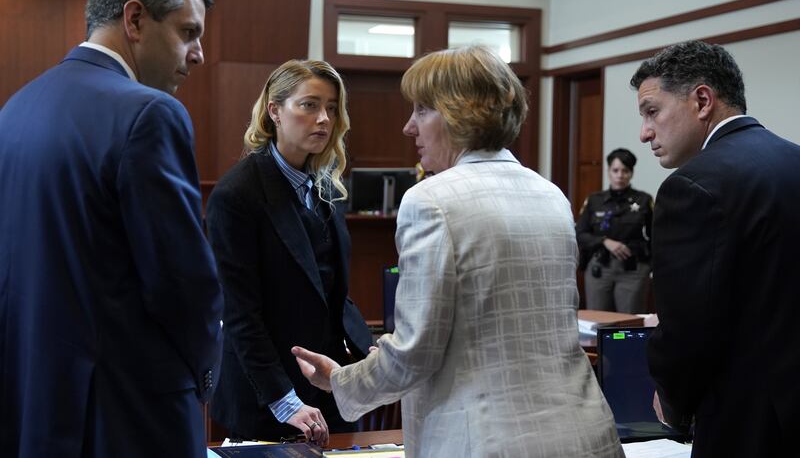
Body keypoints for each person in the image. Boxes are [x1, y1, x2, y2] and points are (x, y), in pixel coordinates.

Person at [292, 45, 624, 458]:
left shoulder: (430, 200)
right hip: (586, 435)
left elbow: (416, 353)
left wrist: (340, 379)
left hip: (488, 442)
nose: (408, 127)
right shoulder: (550, 193)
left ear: (459, 113)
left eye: (422, 111)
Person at [0, 0, 223, 457]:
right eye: (188, 32)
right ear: (136, 19)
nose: (198, 54)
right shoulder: (149, 113)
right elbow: (183, 283)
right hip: (125, 417)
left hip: (32, 406)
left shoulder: (15, 109)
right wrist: (204, 377)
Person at [632, 40, 800, 457]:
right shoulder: (794, 160)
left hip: (746, 424)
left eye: (652, 111)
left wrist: (672, 401)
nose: (644, 132)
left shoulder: (692, 187)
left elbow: (689, 328)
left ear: (702, 100)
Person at [205, 59, 373, 447]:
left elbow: (331, 291)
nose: (324, 119)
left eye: (332, 108)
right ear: (274, 110)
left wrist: (372, 352)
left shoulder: (327, 185)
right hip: (269, 396)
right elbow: (240, 315)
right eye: (309, 105)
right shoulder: (236, 195)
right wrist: (285, 402)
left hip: (330, 388)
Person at [576, 148, 653, 313]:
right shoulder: (594, 200)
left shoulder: (643, 200)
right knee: (598, 323)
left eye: (625, 171)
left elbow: (656, 236)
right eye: (615, 170)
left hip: (633, 270)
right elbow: (580, 234)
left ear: (631, 173)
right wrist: (605, 241)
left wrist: (650, 265)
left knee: (630, 324)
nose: (620, 175)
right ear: (608, 171)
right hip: (600, 268)